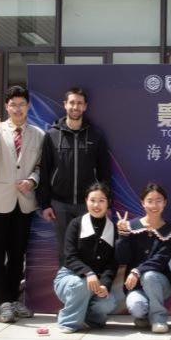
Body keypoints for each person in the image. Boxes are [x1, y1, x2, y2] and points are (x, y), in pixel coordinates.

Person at [0, 85, 44, 323]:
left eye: (22, 104)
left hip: (23, 202)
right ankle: (2, 303)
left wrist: (32, 180)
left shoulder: (38, 134)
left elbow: (41, 166)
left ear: (29, 106)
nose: (18, 109)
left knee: (18, 254)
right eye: (13, 104)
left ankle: (14, 298)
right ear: (6, 107)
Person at [38, 87, 111, 260]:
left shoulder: (96, 135)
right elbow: (45, 170)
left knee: (89, 250)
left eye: (79, 103)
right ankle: (65, 279)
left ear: (85, 106)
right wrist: (45, 204)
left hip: (88, 204)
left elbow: (104, 172)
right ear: (65, 104)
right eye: (72, 103)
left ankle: (87, 279)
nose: (75, 107)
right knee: (65, 252)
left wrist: (106, 202)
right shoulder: (52, 135)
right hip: (59, 204)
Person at [52, 182, 118, 333]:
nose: (96, 205)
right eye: (92, 200)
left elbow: (112, 264)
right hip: (69, 277)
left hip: (96, 283)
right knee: (80, 284)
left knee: (108, 303)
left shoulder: (113, 229)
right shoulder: (76, 224)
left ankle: (89, 317)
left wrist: (105, 285)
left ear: (108, 203)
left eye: (101, 200)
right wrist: (88, 273)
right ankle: (68, 323)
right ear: (86, 201)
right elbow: (70, 256)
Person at [116, 182, 171, 333]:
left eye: (158, 200)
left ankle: (158, 318)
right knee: (137, 307)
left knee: (149, 275)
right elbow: (122, 259)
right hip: (136, 285)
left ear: (165, 203)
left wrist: (137, 271)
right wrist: (123, 236)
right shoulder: (130, 226)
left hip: (160, 283)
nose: (154, 205)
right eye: (150, 201)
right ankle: (144, 316)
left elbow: (161, 259)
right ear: (143, 203)